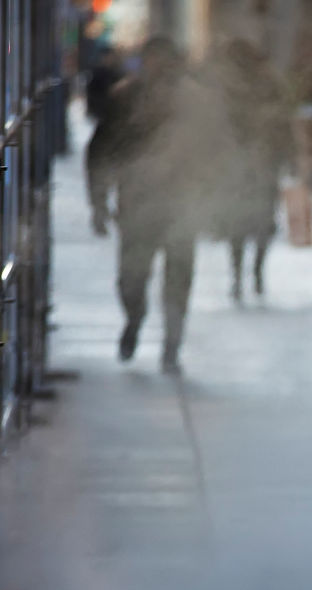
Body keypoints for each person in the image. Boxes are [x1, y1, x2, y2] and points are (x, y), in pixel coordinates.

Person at [86, 37, 223, 374]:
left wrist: (215, 202)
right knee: (131, 278)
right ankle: (134, 318)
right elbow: (101, 151)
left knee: (178, 279)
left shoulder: (197, 102)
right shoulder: (126, 97)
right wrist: (99, 202)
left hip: (181, 203)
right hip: (138, 203)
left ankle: (172, 345)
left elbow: (215, 154)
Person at [204, 39, 291, 301]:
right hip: (255, 165)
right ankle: (252, 273)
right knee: (254, 223)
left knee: (242, 224)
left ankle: (243, 274)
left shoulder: (231, 86)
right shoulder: (259, 84)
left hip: (248, 165)